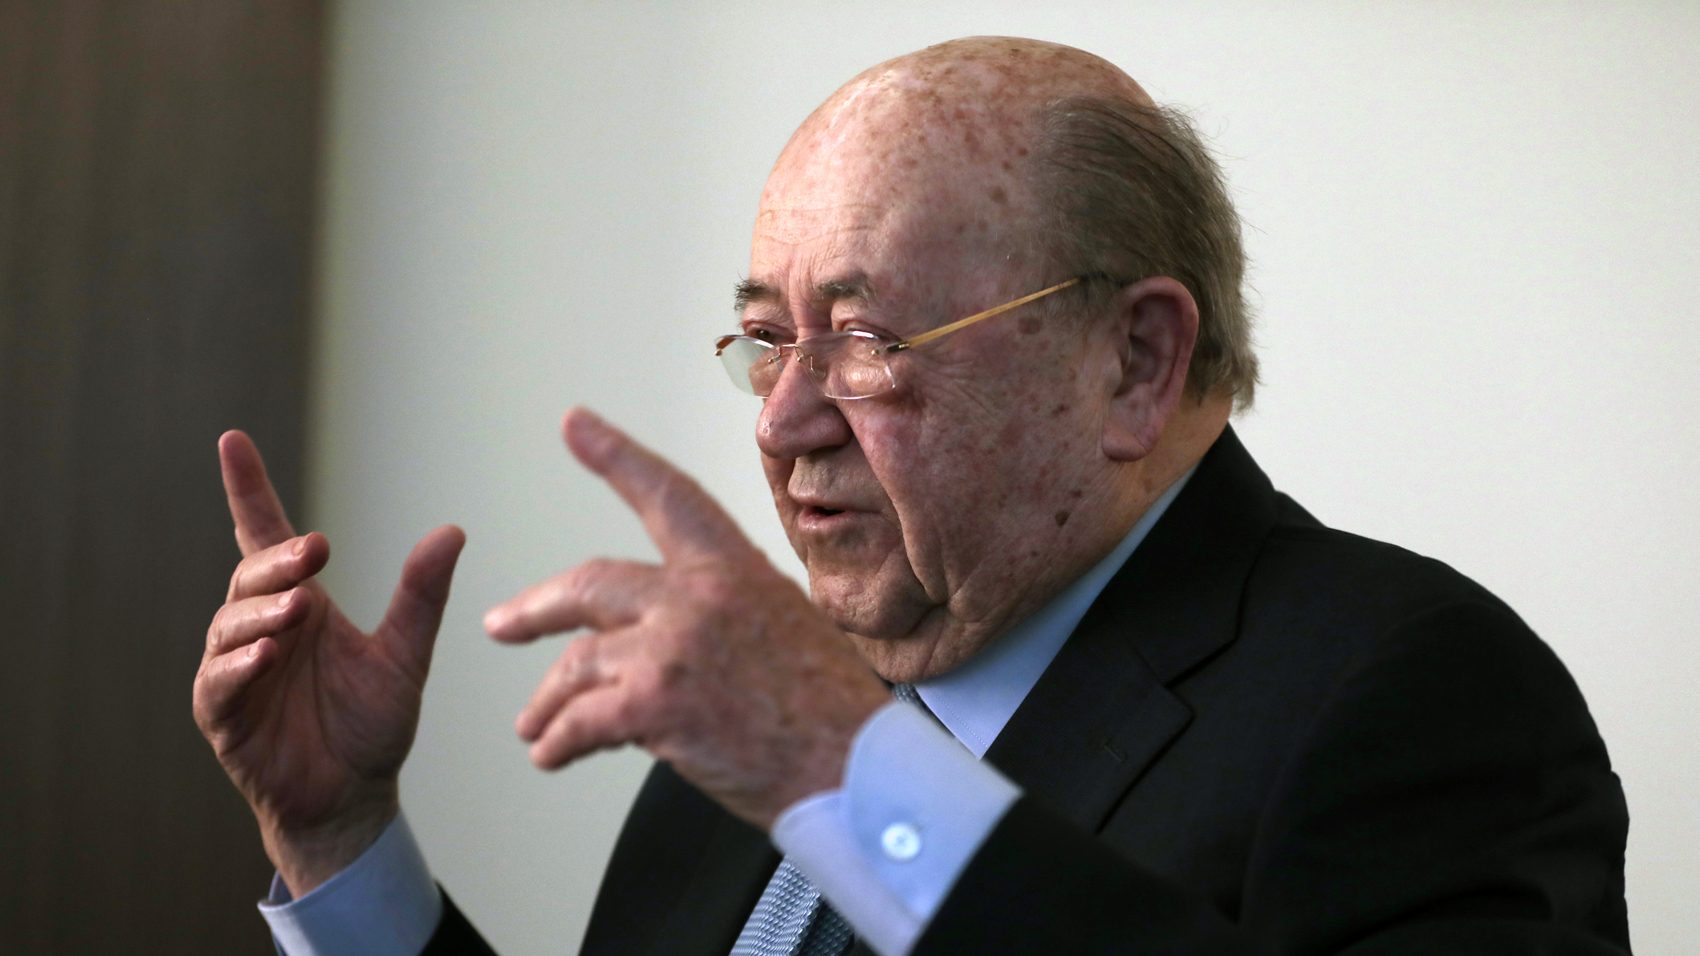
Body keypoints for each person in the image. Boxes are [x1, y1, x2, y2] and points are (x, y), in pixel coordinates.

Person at [193, 36, 1630, 955]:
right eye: (768, 338)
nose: (786, 422)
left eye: (871, 338)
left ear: (1135, 362)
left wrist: (843, 769)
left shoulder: (1413, 695)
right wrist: (341, 842)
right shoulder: (761, 719)